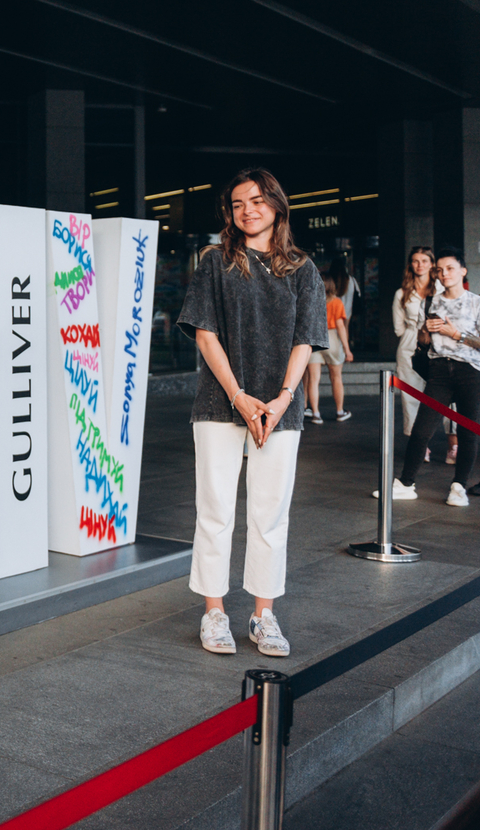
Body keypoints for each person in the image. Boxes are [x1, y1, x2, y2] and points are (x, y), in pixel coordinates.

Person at [177, 168, 324, 659]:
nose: (248, 210)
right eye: (239, 204)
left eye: (258, 201)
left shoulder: (302, 268)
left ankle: (263, 614)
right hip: (221, 402)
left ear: (277, 206)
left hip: (281, 406)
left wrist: (282, 399)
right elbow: (204, 333)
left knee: (270, 514)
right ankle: (213, 611)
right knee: (215, 509)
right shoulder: (216, 262)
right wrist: (239, 395)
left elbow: (305, 340)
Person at [392, 251, 480, 505]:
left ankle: (459, 487)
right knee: (422, 428)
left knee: (468, 430)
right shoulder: (431, 302)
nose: (444, 273)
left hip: (472, 372)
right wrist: (426, 330)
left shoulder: (478, 303)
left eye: (450, 268)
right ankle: (405, 483)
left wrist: (458, 335)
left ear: (462, 272)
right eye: (440, 270)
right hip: (439, 371)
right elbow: (425, 341)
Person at [393, 247, 436, 445]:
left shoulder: (441, 289)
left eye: (424, 260)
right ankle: (419, 444)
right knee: (411, 396)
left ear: (432, 264)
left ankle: (453, 443)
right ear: (410, 264)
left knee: (444, 396)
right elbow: (398, 328)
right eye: (416, 261)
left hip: (438, 343)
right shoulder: (402, 293)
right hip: (410, 343)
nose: (420, 265)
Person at [305, 271, 353, 423]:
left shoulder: (310, 301)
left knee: (313, 380)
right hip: (331, 338)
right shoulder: (337, 302)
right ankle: (339, 411)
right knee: (336, 377)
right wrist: (347, 349)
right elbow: (340, 326)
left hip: (314, 339)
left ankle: (316, 414)